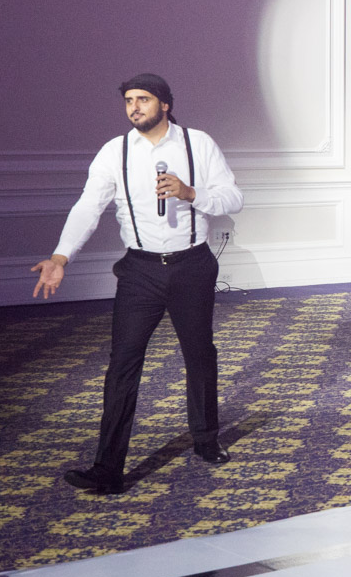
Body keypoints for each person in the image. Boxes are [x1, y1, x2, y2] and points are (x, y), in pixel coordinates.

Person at [31, 74, 244, 495]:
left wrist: (191, 193)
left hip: (191, 266)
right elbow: (88, 207)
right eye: (129, 100)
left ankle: (206, 439)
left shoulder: (198, 144)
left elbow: (234, 198)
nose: (134, 107)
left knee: (199, 354)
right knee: (123, 364)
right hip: (140, 271)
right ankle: (108, 468)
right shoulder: (115, 151)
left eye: (143, 99)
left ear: (165, 104)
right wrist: (60, 257)